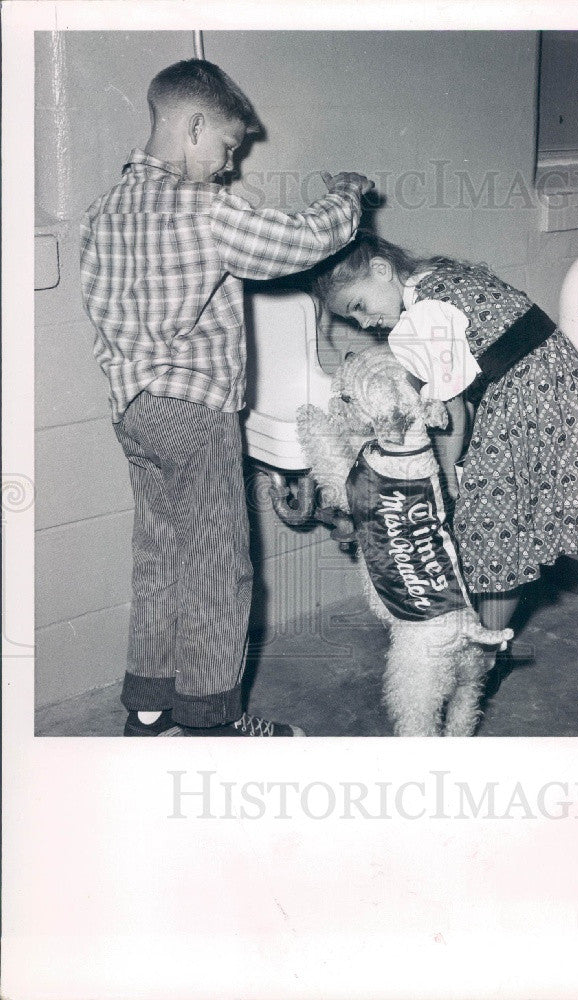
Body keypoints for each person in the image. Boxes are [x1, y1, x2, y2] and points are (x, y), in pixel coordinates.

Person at [80, 59, 374, 736]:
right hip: (194, 412)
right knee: (217, 566)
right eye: (227, 148)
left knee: (158, 556)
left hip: (133, 412)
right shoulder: (206, 210)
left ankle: (149, 708)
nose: (228, 166)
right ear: (193, 126)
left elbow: (99, 313)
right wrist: (347, 203)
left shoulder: (103, 213)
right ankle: (215, 722)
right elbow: (297, 242)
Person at [313, 233, 578, 633]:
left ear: (381, 269)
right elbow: (464, 385)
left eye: (359, 306)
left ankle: (488, 647)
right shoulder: (438, 275)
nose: (364, 322)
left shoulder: (421, 316)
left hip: (526, 395)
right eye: (353, 319)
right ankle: (491, 617)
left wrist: (445, 476)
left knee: (490, 526)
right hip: (552, 384)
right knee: (506, 510)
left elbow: (452, 410)